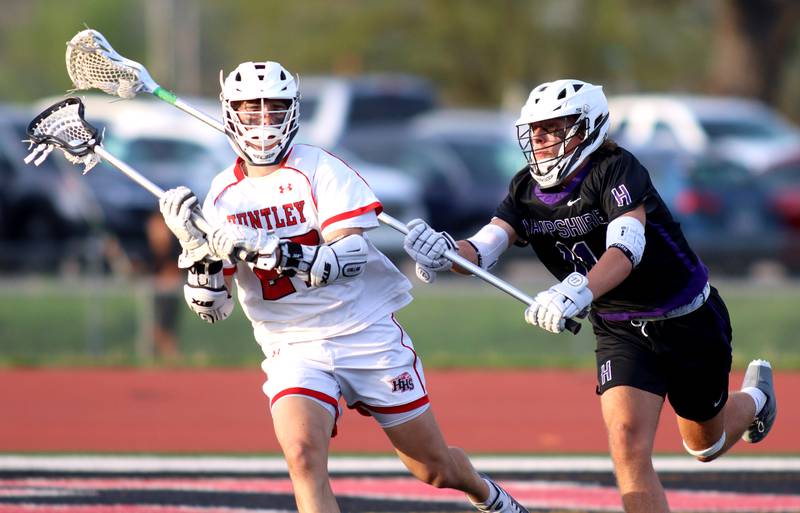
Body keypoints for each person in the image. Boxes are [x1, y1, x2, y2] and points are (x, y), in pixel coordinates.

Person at [157, 60, 528, 513]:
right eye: (250, 108)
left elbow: (349, 258)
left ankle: (485, 493)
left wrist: (277, 251)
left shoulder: (321, 168)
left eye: (273, 107)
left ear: (292, 109)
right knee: (302, 456)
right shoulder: (219, 197)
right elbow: (212, 310)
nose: (263, 119)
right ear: (231, 112)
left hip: (363, 332)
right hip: (292, 345)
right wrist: (197, 254)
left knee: (433, 468)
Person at [402, 79, 778, 513]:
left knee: (705, 446)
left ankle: (756, 400)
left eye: (551, 128)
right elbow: (483, 248)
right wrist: (445, 252)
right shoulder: (525, 188)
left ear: (586, 128)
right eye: (534, 130)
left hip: (687, 318)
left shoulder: (617, 169)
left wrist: (575, 291)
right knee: (627, 446)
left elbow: (626, 250)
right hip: (620, 329)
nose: (539, 140)